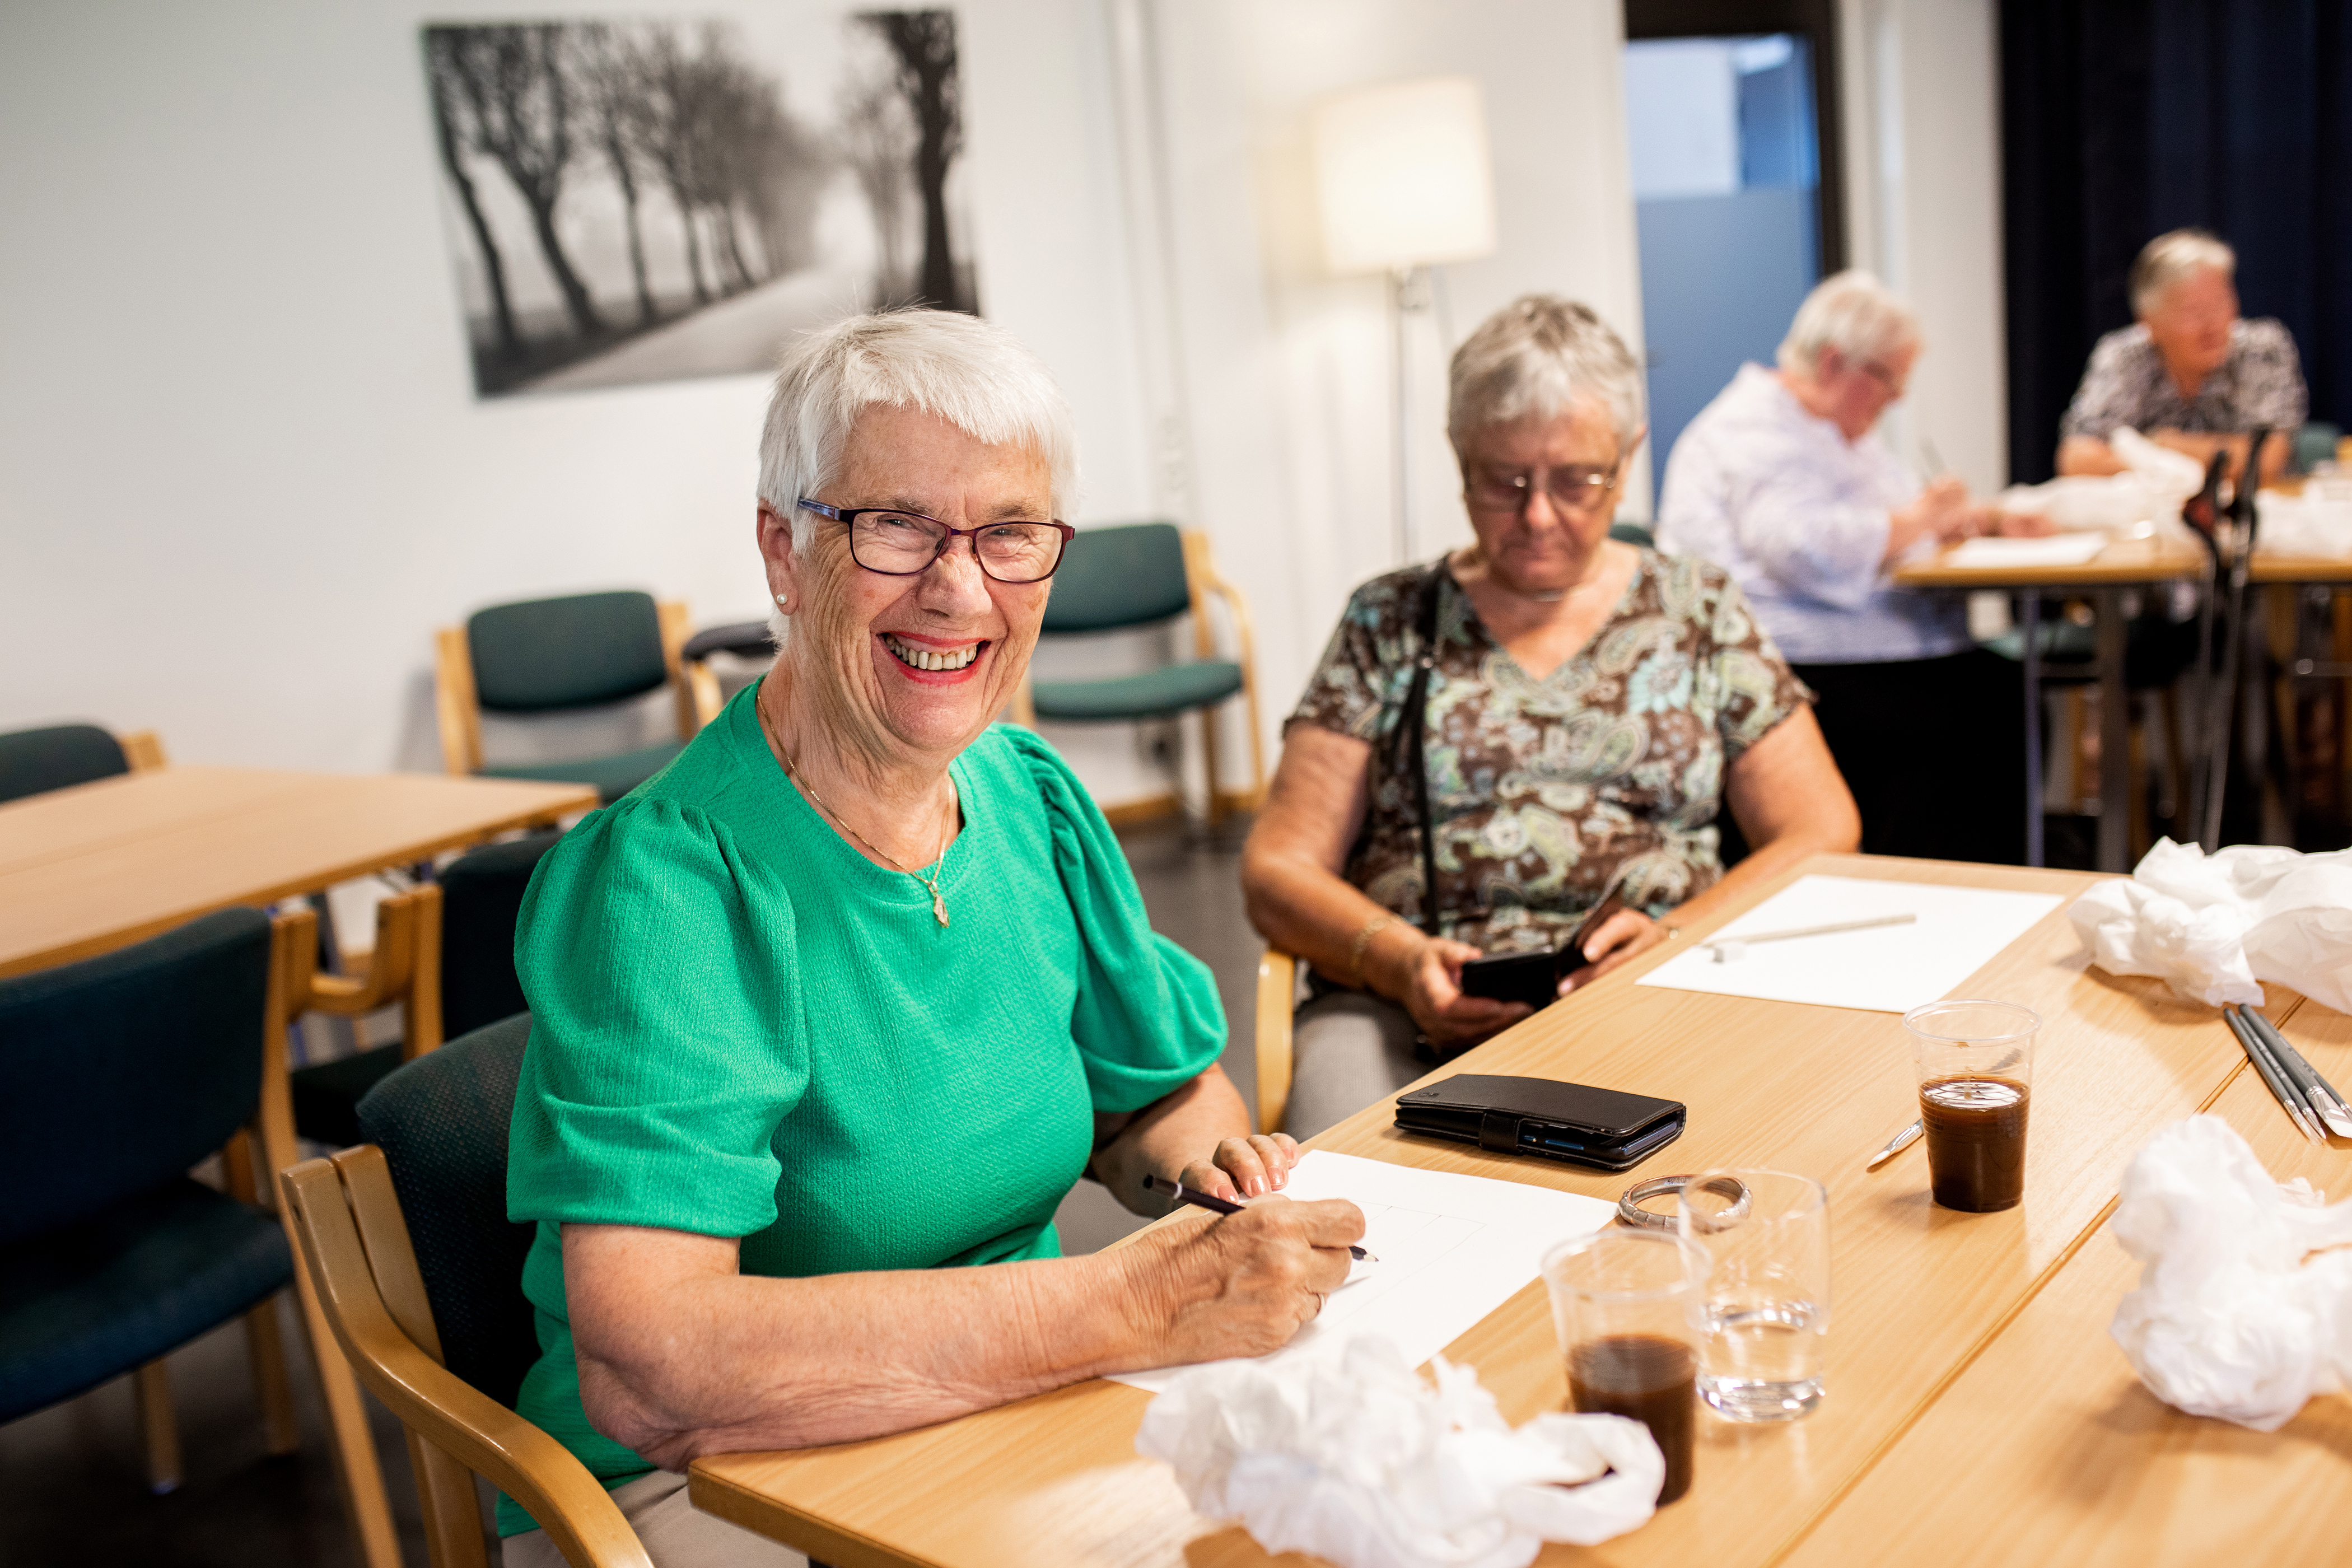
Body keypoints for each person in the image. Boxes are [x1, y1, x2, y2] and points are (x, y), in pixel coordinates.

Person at [498, 310, 1363, 1568]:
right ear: (784, 554)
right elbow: (655, 1368)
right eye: (895, 526)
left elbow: (1159, 1094)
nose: (960, 588)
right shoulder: (666, 885)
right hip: (709, 1478)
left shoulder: (1030, 794)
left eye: (1011, 532)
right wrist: (1133, 1298)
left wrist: (1210, 1176)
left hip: (1011, 1401)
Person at [1243, 296, 1860, 1141]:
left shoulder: (1695, 609)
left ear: (1629, 455)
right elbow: (1278, 866)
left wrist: (1675, 936)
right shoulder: (1390, 621)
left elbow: (1822, 827)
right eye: (1505, 482)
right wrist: (1399, 962)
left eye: (1577, 480)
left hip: (1665, 985)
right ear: (1461, 461)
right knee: (1347, 1190)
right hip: (1405, 1011)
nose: (1538, 518)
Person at [1656, 270, 2040, 869]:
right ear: (1837, 363)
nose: (1898, 398)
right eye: (1890, 378)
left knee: (2001, 686)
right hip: (1787, 664)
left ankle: (1971, 890)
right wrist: (1919, 518)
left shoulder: (1840, 433)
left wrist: (1976, 520)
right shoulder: (1754, 429)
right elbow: (1806, 550)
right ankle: (1928, 890)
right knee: (1980, 707)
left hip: (1859, 647)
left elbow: (1900, 519)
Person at [2056, 229, 2306, 485]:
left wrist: (2162, 447)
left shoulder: (2263, 349)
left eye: (2221, 303)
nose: (2214, 324)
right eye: (2193, 312)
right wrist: (2214, 459)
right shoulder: (2123, 355)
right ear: (2149, 322)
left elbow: (2267, 460)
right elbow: (2075, 460)